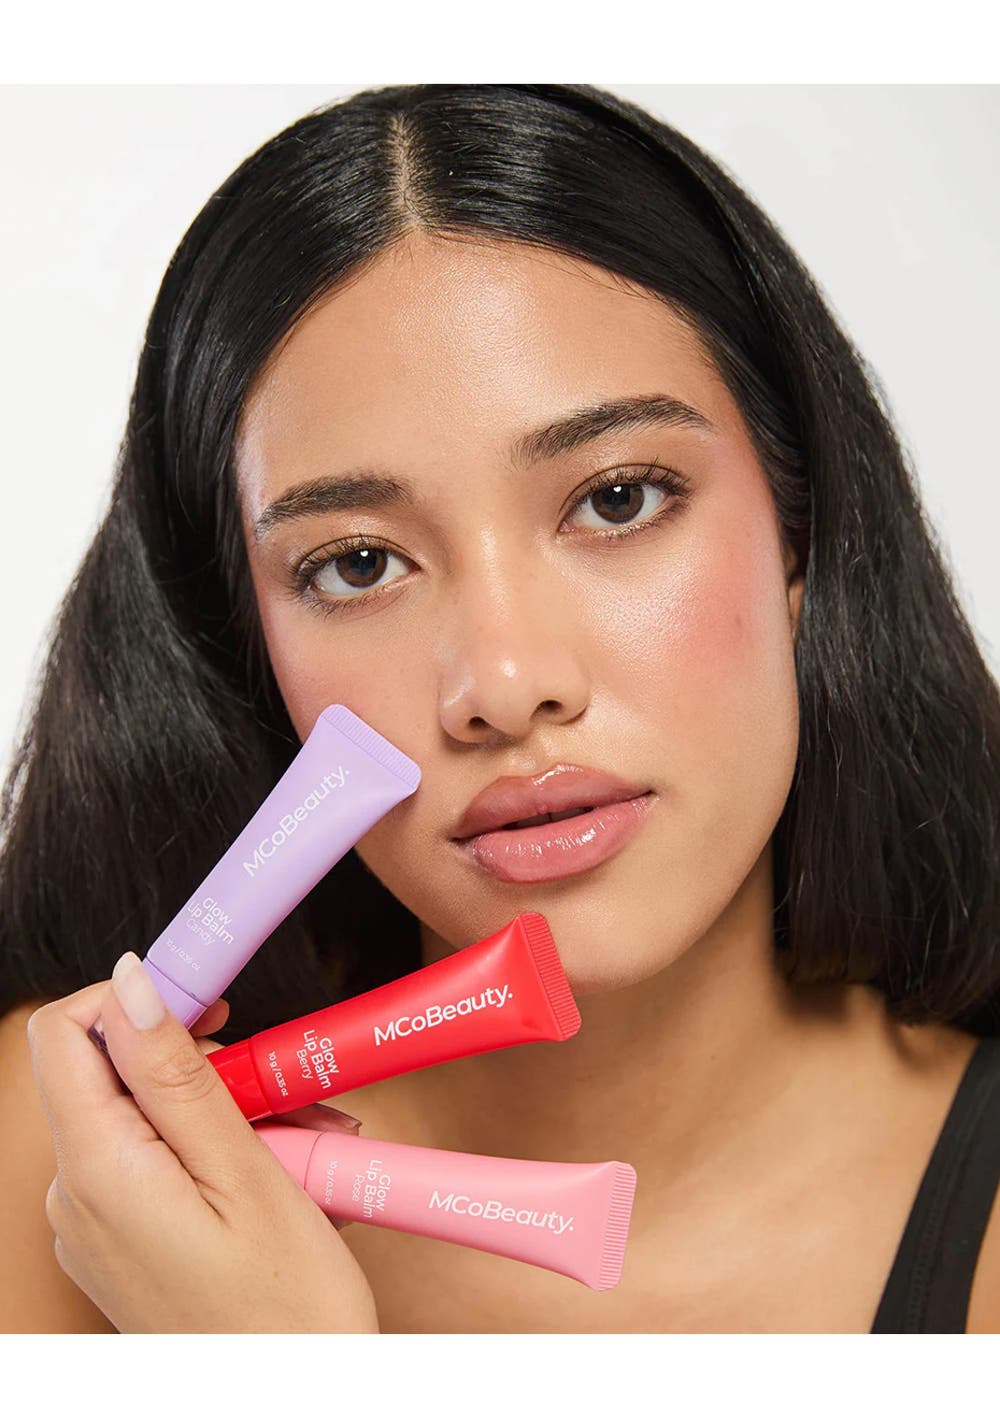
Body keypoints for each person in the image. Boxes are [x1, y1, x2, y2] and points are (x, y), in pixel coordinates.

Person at [1, 83, 998, 1334]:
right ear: (247, 644)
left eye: (618, 499)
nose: (508, 686)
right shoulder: (58, 1165)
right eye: (357, 563)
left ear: (799, 536)